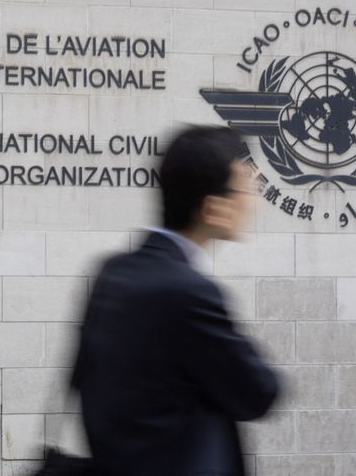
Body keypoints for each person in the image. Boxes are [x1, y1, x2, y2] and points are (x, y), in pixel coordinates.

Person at [70, 125, 281, 476]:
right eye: (247, 184)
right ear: (214, 209)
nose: (255, 195)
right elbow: (259, 393)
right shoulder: (189, 292)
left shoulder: (111, 272)